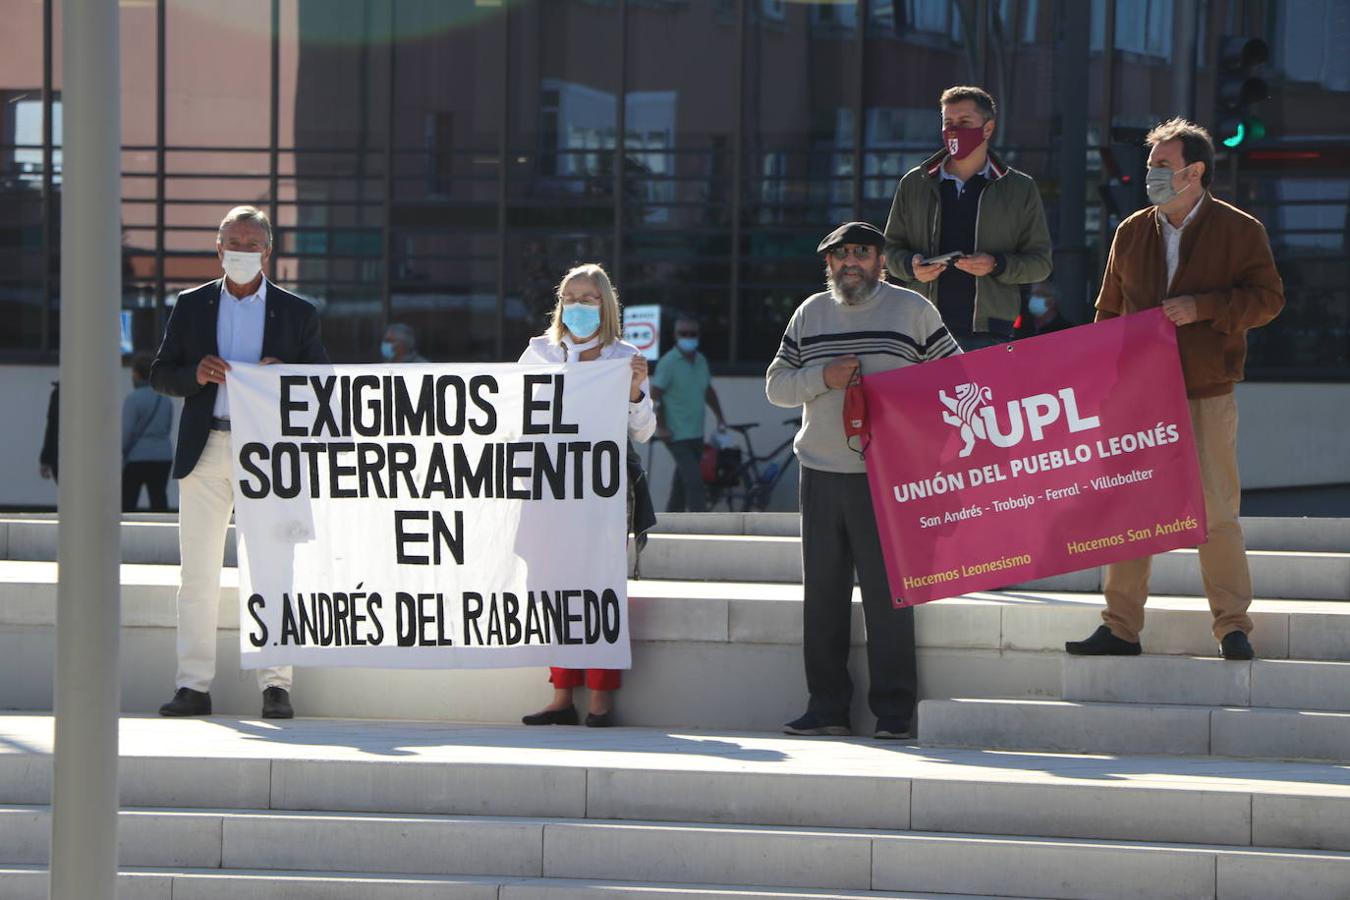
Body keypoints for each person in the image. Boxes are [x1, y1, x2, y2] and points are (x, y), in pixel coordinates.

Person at [1066, 118, 1284, 661]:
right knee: (1130, 509)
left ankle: (1232, 626)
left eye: (1161, 166)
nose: (1151, 175)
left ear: (1195, 170)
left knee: (1215, 511)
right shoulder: (1131, 231)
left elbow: (1268, 299)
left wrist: (1204, 308)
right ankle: (1120, 628)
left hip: (1206, 389)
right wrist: (1100, 383)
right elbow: (1107, 312)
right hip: (1138, 394)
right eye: (1150, 166)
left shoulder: (1240, 230)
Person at [766, 222, 960, 740]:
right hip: (823, 472)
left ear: (880, 260)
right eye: (840, 255)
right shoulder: (809, 312)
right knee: (823, 596)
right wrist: (822, 379)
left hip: (892, 477)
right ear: (827, 264)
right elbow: (777, 386)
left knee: (890, 597)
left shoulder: (914, 310)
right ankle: (827, 707)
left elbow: (956, 379)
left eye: (862, 252)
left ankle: (894, 713)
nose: (850, 261)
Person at [150, 205, 329, 719]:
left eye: (252, 244)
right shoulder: (191, 305)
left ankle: (275, 683)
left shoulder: (298, 312)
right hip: (205, 449)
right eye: (234, 242)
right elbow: (161, 374)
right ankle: (192, 686)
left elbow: (321, 382)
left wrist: (283, 374)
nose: (242, 252)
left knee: (273, 571)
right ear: (218, 247)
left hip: (269, 456)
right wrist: (196, 375)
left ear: (268, 251)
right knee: (198, 573)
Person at [517, 262, 655, 728]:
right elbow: (512, 415)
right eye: (570, 298)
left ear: (606, 305)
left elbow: (643, 431)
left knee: (599, 590)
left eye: (589, 299)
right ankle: (560, 696)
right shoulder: (538, 353)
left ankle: (599, 700)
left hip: (603, 496)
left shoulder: (625, 356)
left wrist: (635, 391)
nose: (578, 307)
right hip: (549, 492)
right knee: (554, 590)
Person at [883, 85, 1052, 350]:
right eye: (948, 122)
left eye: (964, 122)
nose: (954, 130)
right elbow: (890, 251)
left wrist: (996, 265)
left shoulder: (1019, 188)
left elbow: (1040, 263)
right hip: (924, 331)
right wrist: (911, 266)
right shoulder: (914, 183)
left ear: (987, 129)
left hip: (989, 333)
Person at [650, 314, 726, 512]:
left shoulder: (701, 361)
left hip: (696, 433)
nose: (688, 337)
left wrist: (720, 418)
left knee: (682, 482)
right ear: (675, 336)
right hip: (675, 435)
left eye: (692, 333)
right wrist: (661, 426)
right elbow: (654, 396)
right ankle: (700, 526)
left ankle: (671, 521)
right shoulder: (668, 363)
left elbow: (708, 391)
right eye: (683, 333)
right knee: (695, 481)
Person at [122, 351, 174, 512]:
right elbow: (167, 427)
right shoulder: (165, 398)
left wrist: (122, 452)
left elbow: (126, 431)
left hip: (137, 456)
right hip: (163, 455)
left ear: (136, 374)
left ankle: (125, 535)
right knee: (158, 499)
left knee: (128, 500)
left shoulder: (133, 399)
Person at [38, 382, 58, 484]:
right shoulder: (57, 395)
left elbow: (51, 428)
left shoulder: (57, 395)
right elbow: (51, 428)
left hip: (59, 458)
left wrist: (45, 459)